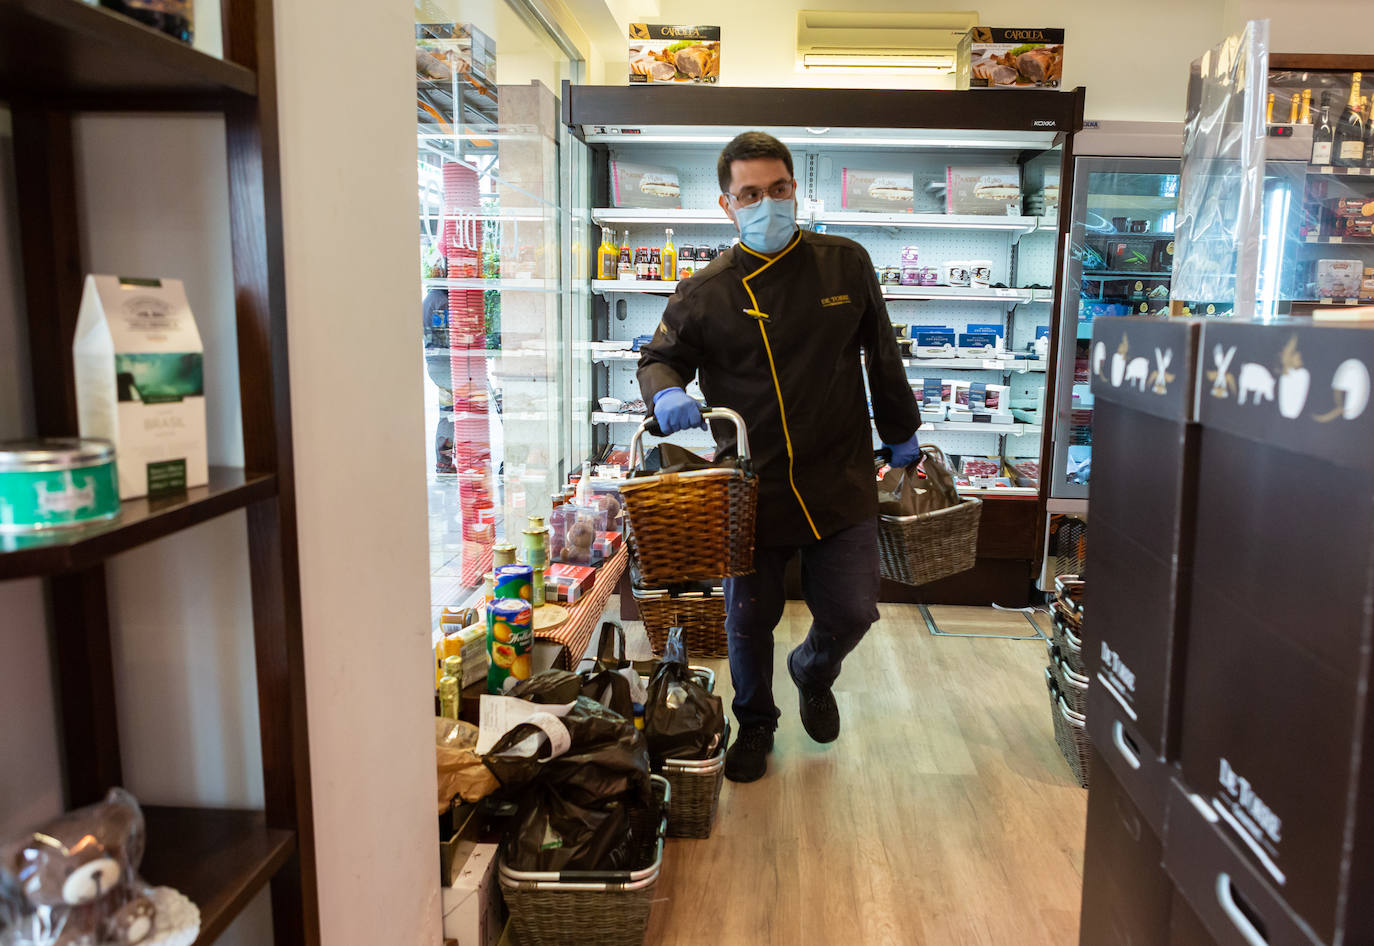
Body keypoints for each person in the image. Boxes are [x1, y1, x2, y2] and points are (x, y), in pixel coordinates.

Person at [637, 131, 924, 782]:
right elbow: (658, 358)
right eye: (750, 194)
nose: (767, 203)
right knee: (748, 620)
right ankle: (756, 723)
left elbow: (882, 351)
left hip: (840, 475)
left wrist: (902, 429)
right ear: (725, 204)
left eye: (778, 189)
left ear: (796, 189)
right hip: (752, 485)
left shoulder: (844, 263)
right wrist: (667, 392)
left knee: (852, 610)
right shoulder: (704, 291)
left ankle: (813, 670)